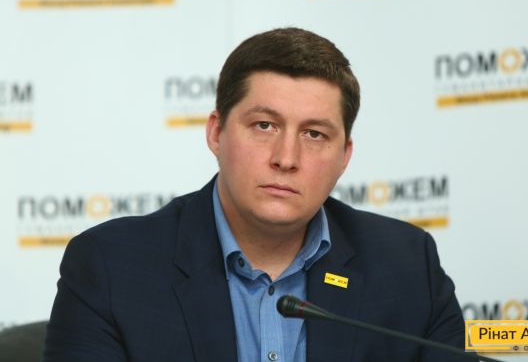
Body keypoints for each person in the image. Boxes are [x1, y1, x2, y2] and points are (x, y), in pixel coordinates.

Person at [43, 28, 469, 361]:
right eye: (264, 125)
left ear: (345, 156)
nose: (286, 158)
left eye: (314, 134)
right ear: (216, 132)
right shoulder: (113, 268)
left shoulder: (408, 268)